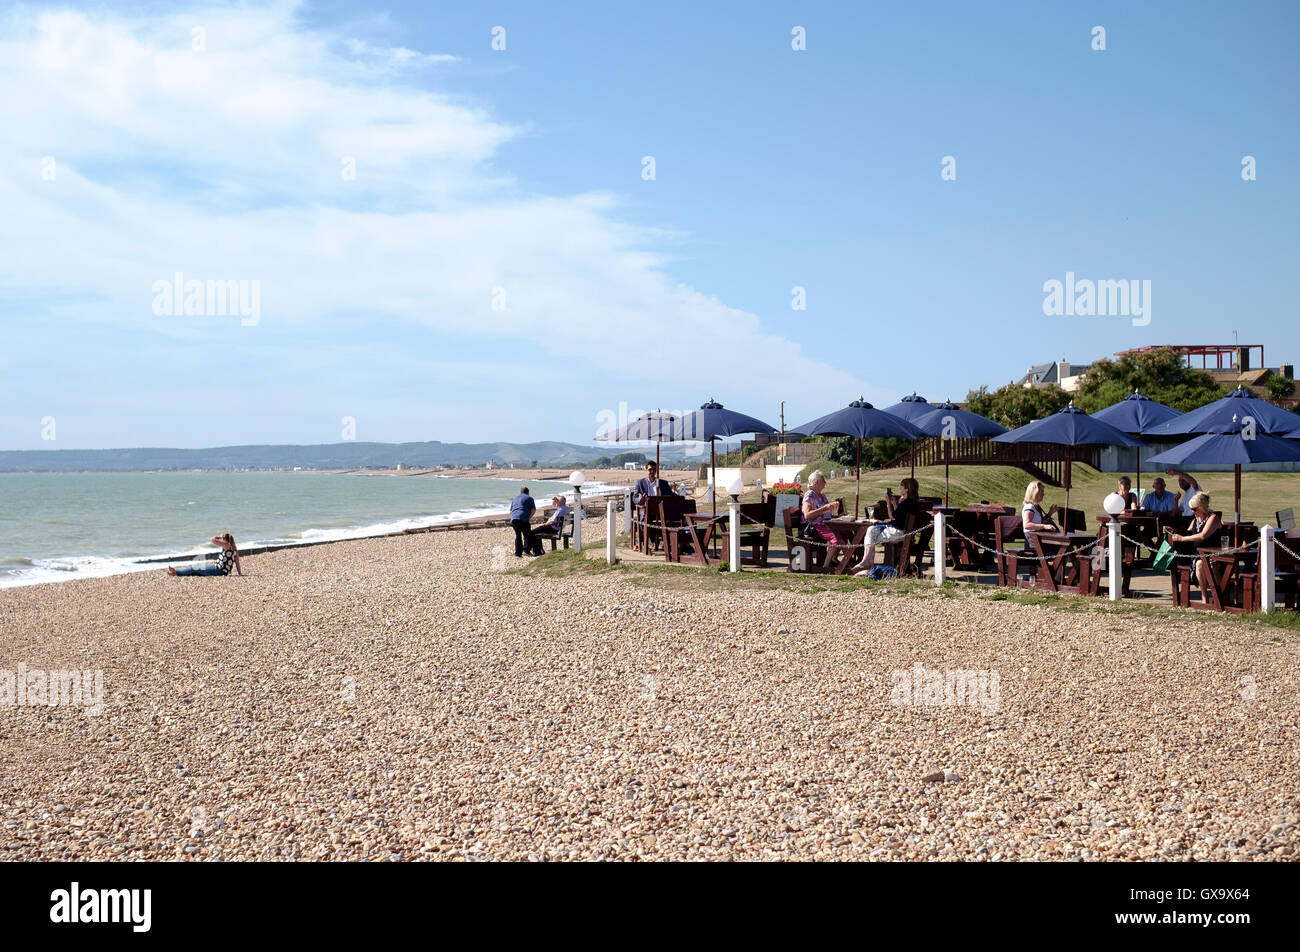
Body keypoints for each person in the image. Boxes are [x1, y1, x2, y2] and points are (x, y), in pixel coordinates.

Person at [853, 477, 921, 575]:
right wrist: (894, 504)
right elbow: (899, 517)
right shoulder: (913, 503)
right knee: (872, 532)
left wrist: (888, 503)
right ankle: (867, 563)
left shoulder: (906, 503)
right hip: (905, 533)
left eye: (902, 487)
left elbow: (892, 517)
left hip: (898, 533)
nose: (900, 489)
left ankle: (867, 564)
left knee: (870, 531)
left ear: (907, 489)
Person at [1164, 492, 1223, 600]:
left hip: (1213, 553)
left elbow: (1203, 535)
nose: (1193, 511)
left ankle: (1213, 597)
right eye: (1191, 509)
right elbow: (1188, 534)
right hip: (1197, 553)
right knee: (1199, 562)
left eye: (1195, 509)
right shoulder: (1195, 519)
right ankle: (1204, 596)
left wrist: (1182, 538)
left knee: (1201, 564)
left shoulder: (1213, 518)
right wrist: (1175, 531)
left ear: (1202, 507)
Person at [801, 470, 842, 548]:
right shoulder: (810, 495)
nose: (825, 482)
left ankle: (833, 558)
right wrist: (825, 507)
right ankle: (829, 560)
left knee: (845, 532)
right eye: (823, 480)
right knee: (837, 538)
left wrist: (838, 516)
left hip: (826, 525)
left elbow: (826, 515)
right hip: (815, 526)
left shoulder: (822, 496)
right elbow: (807, 515)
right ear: (816, 483)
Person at [167, 534, 242, 576]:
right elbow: (237, 563)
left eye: (222, 538)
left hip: (218, 571)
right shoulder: (234, 550)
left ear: (225, 541)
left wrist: (219, 536)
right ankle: (177, 573)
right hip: (220, 570)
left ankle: (176, 572)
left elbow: (212, 539)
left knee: (195, 568)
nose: (220, 540)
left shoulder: (226, 546)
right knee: (196, 571)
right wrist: (240, 573)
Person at [510, 487, 541, 557]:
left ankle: (518, 553)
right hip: (523, 517)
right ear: (528, 492)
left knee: (518, 536)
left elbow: (511, 511)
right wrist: (529, 517)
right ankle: (529, 550)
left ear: (520, 492)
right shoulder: (529, 498)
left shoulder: (515, 498)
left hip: (514, 518)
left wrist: (513, 518)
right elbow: (533, 510)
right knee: (528, 535)